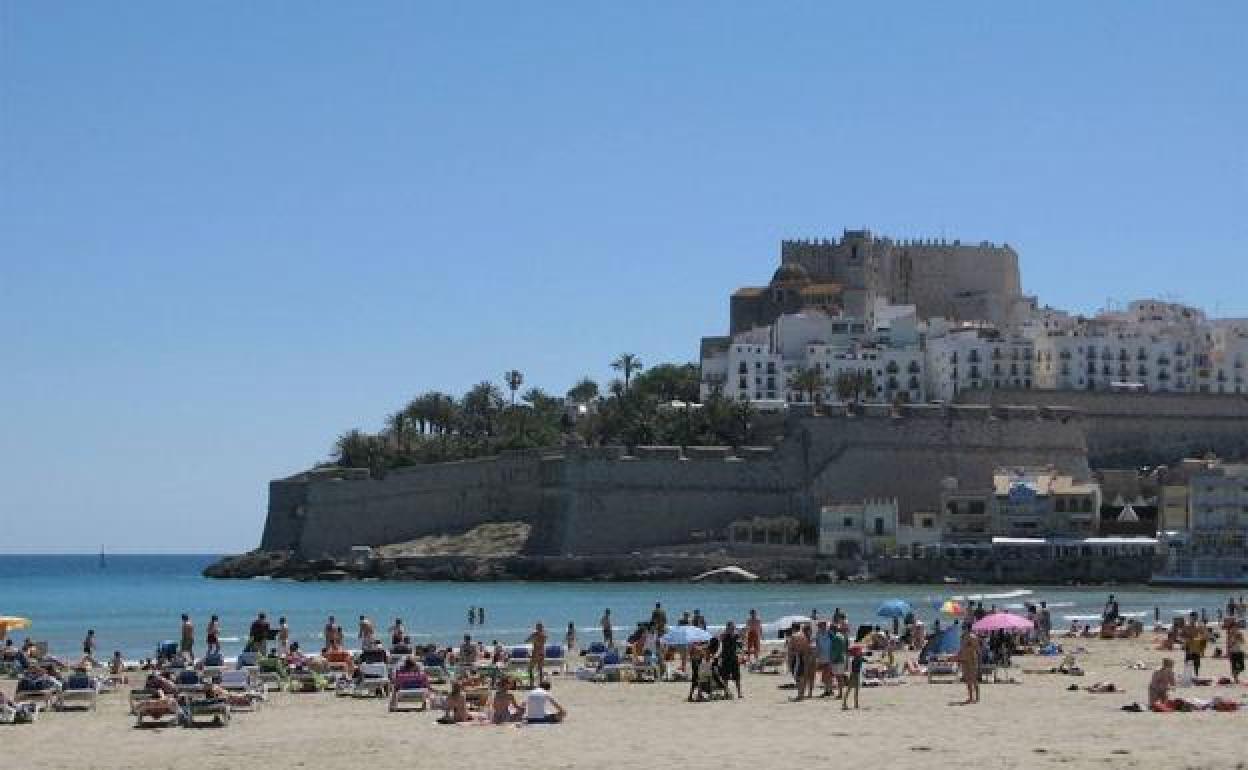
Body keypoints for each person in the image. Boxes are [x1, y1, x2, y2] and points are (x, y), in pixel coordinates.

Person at [719, 621, 743, 698]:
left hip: (734, 658)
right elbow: (720, 638)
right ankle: (726, 692)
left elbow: (741, 644)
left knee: (737, 677)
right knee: (725, 677)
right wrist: (727, 632)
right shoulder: (724, 635)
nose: (732, 629)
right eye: (731, 627)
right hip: (725, 658)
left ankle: (739, 693)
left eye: (733, 628)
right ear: (727, 627)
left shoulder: (736, 636)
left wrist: (737, 631)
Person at [958, 626, 981, 704]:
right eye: (963, 628)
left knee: (973, 678)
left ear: (968, 628)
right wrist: (959, 657)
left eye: (964, 627)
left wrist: (970, 648)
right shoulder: (962, 637)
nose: (963, 629)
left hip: (972, 659)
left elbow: (977, 648)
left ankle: (977, 697)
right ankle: (970, 697)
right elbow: (961, 648)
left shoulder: (973, 637)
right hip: (964, 659)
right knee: (967, 679)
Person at [842, 645, 864, 710]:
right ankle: (848, 703)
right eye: (859, 651)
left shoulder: (856, 658)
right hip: (854, 675)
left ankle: (854, 703)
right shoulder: (856, 659)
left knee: (853, 689)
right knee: (852, 689)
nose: (861, 652)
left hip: (855, 675)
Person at [526, 623, 547, 687]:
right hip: (542, 653)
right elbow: (543, 642)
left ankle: (532, 684)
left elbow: (527, 640)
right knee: (540, 669)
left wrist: (533, 638)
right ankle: (541, 683)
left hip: (536, 653)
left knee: (530, 669)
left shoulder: (535, 634)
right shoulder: (544, 635)